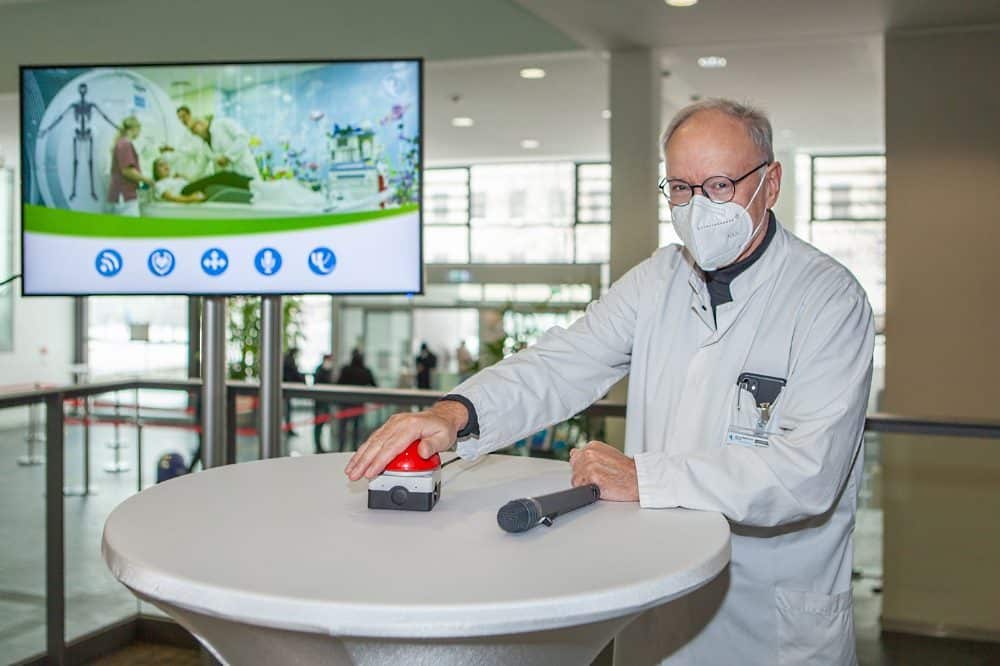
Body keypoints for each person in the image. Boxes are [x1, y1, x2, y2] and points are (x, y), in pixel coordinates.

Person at [345, 98, 874, 665]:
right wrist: (454, 414)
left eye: (719, 185)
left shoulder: (828, 299)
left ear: (770, 184)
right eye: (680, 188)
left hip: (768, 620)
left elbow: (806, 474)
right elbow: (563, 361)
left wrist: (643, 476)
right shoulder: (659, 279)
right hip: (660, 599)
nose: (698, 208)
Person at [106, 116, 153, 216]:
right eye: (139, 130)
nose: (139, 133)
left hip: (120, 194)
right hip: (124, 195)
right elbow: (127, 171)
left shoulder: (120, 143)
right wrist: (147, 180)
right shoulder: (125, 144)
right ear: (134, 129)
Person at [188, 116, 261, 180]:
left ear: (201, 123)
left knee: (254, 193)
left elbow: (243, 137)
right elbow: (200, 168)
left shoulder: (222, 124)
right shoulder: (205, 146)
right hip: (230, 180)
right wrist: (189, 179)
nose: (194, 134)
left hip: (244, 171)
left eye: (194, 130)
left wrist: (227, 157)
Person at [335, 349, 377, 452]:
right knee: (356, 430)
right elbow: (375, 385)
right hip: (358, 405)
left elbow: (338, 384)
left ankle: (341, 449)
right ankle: (355, 450)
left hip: (345, 403)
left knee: (343, 429)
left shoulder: (346, 369)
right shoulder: (365, 371)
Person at [312, 354, 335, 454]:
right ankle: (318, 446)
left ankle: (320, 446)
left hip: (326, 402)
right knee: (318, 425)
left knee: (322, 424)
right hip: (320, 402)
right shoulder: (320, 370)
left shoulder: (328, 370)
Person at [282, 348, 306, 437]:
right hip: (286, 388)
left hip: (285, 388)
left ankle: (288, 429)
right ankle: (288, 429)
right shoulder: (290, 360)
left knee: (286, 409)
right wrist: (303, 381)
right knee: (286, 410)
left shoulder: (287, 359)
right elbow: (294, 374)